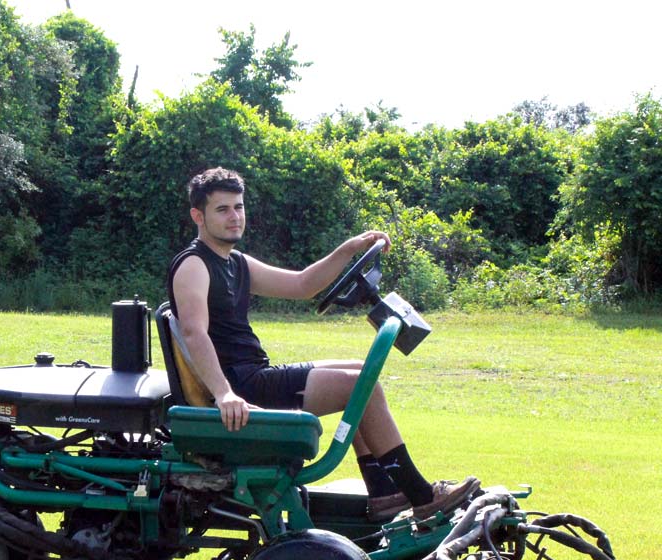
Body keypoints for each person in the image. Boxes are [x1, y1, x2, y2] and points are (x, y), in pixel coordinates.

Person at [167, 167, 479, 522]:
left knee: (363, 373)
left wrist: (348, 249)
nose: (234, 217)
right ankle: (420, 496)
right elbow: (194, 333)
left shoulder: (234, 263)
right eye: (222, 210)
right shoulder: (194, 265)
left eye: (238, 207)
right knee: (361, 387)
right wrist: (225, 394)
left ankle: (385, 494)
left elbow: (302, 285)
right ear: (198, 216)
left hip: (253, 374)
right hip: (243, 389)